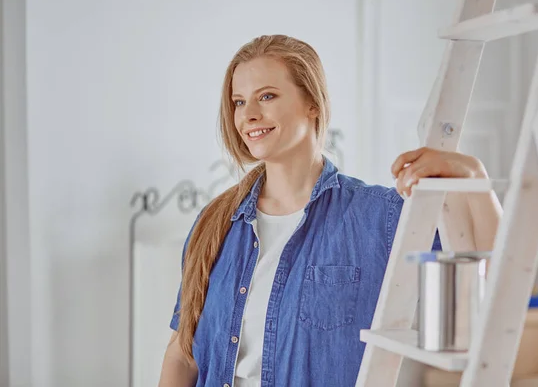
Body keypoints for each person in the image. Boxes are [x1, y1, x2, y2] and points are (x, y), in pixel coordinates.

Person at [158, 34, 502, 387]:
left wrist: (474, 178)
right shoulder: (215, 223)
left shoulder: (377, 218)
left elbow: (496, 278)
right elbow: (181, 354)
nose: (249, 115)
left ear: (313, 103)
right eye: (239, 101)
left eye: (267, 96)